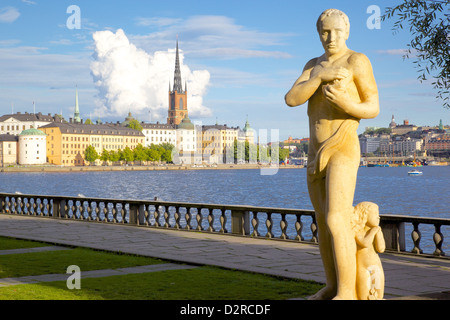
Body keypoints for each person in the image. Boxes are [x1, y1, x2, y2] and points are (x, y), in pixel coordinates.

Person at [285, 8, 379, 299]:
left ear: (347, 32)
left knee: (337, 219)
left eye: (336, 31)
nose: (330, 37)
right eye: (324, 32)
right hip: (315, 153)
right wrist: (320, 77)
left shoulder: (357, 61)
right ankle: (333, 285)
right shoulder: (314, 65)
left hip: (343, 147)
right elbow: (292, 98)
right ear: (318, 34)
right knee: (322, 221)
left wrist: (346, 104)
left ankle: (348, 293)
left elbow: (373, 106)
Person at [352, 202, 385, 300]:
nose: (378, 217)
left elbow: (381, 248)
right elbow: (365, 243)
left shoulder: (376, 230)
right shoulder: (358, 230)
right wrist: (373, 231)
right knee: (364, 295)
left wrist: (378, 233)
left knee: (379, 293)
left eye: (378, 214)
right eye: (375, 214)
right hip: (363, 267)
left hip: (376, 265)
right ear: (365, 214)